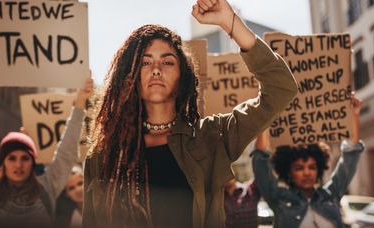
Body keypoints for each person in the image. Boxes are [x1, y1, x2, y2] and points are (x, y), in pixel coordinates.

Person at [83, 0, 298, 227]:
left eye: (167, 61)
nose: (156, 69)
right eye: (145, 62)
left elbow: (281, 89)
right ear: (130, 77)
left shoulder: (211, 137)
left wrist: (230, 23)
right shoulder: (103, 156)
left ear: (182, 76)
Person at [0, 78, 93, 228]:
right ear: (2, 162)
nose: (18, 164)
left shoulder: (47, 186)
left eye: (25, 158)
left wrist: (80, 103)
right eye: (11, 158)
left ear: (33, 161)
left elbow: (67, 152)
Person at [252, 95, 365, 228]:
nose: (307, 173)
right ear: (289, 172)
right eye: (299, 168)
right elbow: (260, 160)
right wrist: (265, 117)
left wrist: (354, 116)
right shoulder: (279, 198)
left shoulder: (331, 194)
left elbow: (350, 155)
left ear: (319, 169)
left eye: (312, 167)